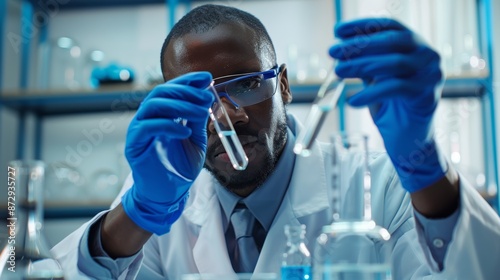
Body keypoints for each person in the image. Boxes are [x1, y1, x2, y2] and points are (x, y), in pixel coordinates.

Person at [52, 4, 500, 279]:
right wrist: (138, 212)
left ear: (283, 84)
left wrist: (424, 164)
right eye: (200, 99)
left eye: (246, 84)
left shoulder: (381, 186)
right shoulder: (158, 197)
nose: (228, 115)